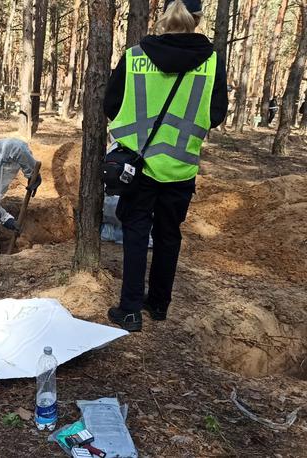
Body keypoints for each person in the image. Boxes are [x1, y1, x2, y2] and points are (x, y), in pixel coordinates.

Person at [103, 0, 228, 331]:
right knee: (169, 234)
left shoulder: (134, 57)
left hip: (138, 165)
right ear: (198, 18)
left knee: (135, 231)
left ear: (164, 17)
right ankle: (159, 304)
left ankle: (130, 310)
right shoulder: (213, 62)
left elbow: (111, 105)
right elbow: (216, 115)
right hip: (182, 166)